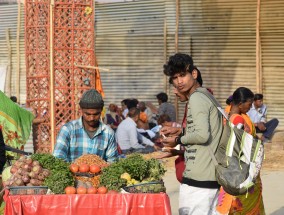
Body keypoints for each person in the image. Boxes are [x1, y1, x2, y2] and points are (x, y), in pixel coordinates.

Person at [161, 53, 222, 214]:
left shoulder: (196, 98)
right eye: (174, 78)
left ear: (193, 74)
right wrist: (181, 132)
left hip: (199, 180)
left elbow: (202, 135)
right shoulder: (206, 95)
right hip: (210, 177)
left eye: (182, 75)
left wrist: (177, 139)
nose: (179, 82)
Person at [216, 87, 265, 214]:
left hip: (229, 166)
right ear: (240, 103)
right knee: (244, 203)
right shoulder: (238, 119)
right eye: (249, 104)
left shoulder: (227, 115)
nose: (250, 107)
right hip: (240, 168)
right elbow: (241, 145)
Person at [53, 89, 118, 163]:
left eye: (96, 114)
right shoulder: (68, 130)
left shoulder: (108, 133)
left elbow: (113, 161)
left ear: (101, 111)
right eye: (87, 114)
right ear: (81, 110)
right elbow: (58, 157)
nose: (91, 118)